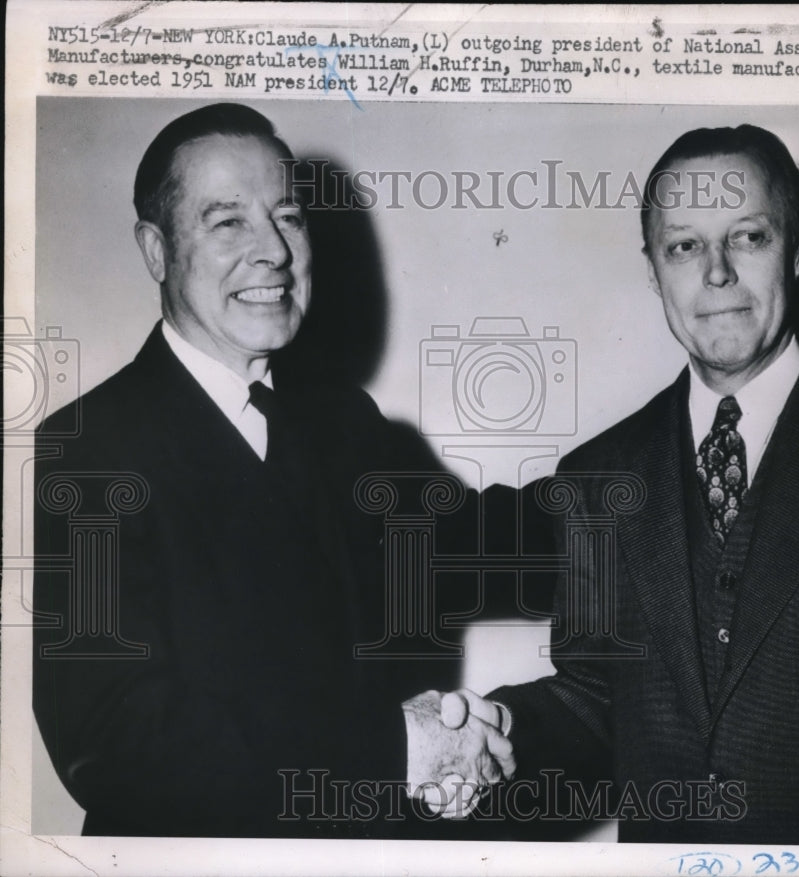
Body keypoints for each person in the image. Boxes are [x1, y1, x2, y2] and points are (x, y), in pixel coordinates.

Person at [411, 124, 799, 845]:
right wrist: (506, 734)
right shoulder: (595, 479)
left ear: (798, 249)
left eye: (748, 237)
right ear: (653, 270)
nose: (717, 273)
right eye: (684, 246)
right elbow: (594, 704)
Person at [32, 103, 501, 838]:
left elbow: (484, 545)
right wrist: (397, 750)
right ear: (156, 251)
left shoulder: (345, 421)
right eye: (228, 223)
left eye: (288, 215)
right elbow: (111, 735)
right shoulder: (89, 447)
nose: (274, 251)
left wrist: (667, 473)